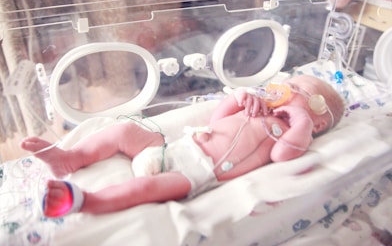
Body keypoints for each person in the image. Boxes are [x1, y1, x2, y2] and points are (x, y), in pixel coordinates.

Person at [21, 74, 345, 218]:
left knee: (146, 188)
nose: (286, 89)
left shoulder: (289, 131)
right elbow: (217, 120)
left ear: (318, 122)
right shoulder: (260, 108)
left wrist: (299, 123)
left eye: (299, 88)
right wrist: (238, 99)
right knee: (124, 131)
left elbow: (282, 155)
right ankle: (71, 158)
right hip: (174, 145)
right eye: (287, 83)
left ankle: (88, 202)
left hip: (196, 172)